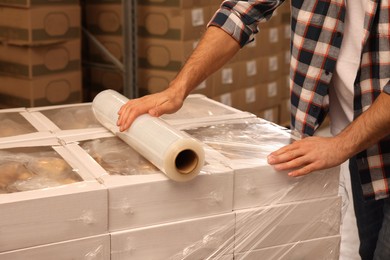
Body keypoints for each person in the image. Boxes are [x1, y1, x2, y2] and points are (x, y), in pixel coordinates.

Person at [117, 1, 390, 259]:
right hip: (365, 149)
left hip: (364, 141)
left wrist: (342, 144)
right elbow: (240, 12)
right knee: (372, 249)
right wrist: (177, 89)